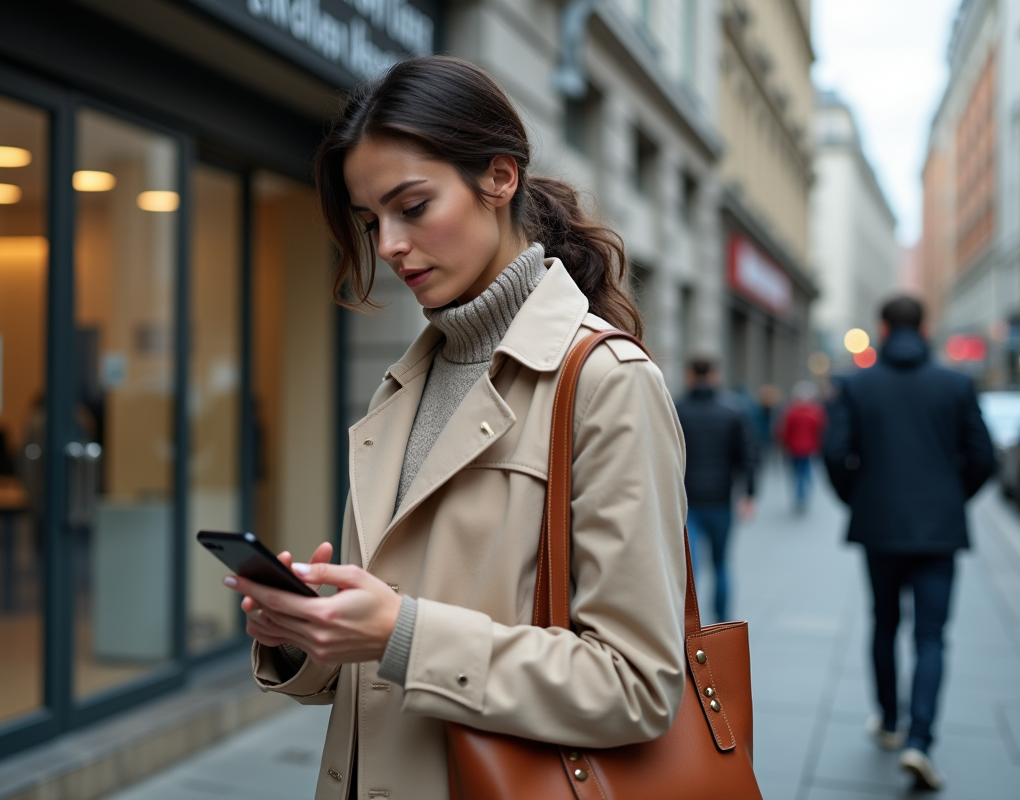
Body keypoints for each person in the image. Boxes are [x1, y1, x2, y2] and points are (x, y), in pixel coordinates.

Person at [222, 56, 688, 800]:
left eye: (412, 207)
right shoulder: (402, 386)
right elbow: (376, 674)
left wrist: (399, 633)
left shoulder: (607, 382)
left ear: (499, 178)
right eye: (370, 221)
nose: (388, 245)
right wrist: (309, 637)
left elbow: (636, 685)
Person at [824, 296, 994, 791]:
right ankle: (920, 741)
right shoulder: (956, 384)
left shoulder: (856, 384)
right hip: (940, 530)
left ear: (882, 328)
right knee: (932, 636)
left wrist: (860, 499)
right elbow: (982, 457)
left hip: (879, 527)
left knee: (884, 623)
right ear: (924, 328)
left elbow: (834, 454)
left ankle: (889, 721)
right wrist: (952, 498)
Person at [674, 357, 757, 623]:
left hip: (686, 501)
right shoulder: (732, 410)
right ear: (714, 375)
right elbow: (748, 455)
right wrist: (749, 494)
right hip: (721, 499)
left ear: (690, 375)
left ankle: (688, 621)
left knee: (689, 567)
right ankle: (722, 620)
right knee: (721, 562)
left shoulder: (677, 409)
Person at [779, 380, 826, 512]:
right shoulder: (816, 413)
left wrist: (785, 445)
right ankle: (804, 494)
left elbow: (785, 431)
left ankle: (800, 495)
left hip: (795, 448)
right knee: (807, 472)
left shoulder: (791, 412)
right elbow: (821, 431)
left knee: (797, 472)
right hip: (810, 448)